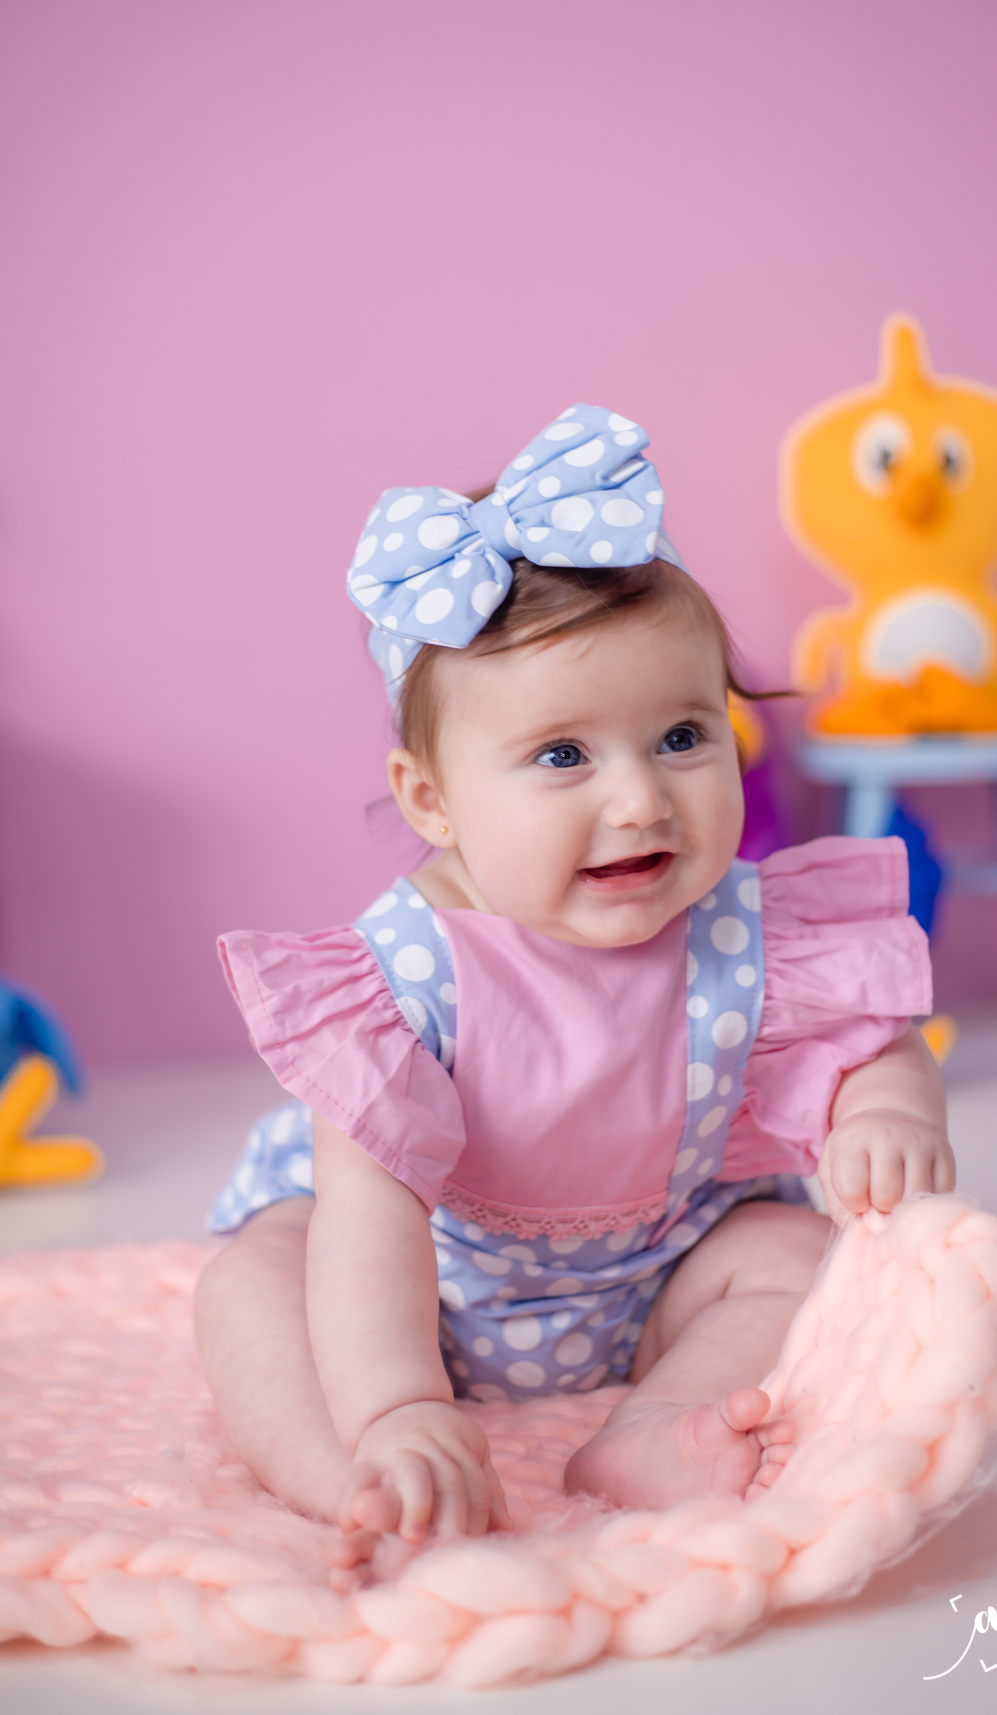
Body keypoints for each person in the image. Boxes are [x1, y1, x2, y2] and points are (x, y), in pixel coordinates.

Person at [194, 404, 953, 1551]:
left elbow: (873, 1048)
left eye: (683, 737)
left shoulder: (756, 934)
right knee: (253, 1285)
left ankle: (648, 1430)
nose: (641, 800)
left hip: (662, 1279)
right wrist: (397, 1403)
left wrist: (885, 1115)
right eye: (563, 756)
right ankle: (359, 1478)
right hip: (420, 1290)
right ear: (431, 800)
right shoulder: (401, 981)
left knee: (799, 1259)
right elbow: (369, 1220)